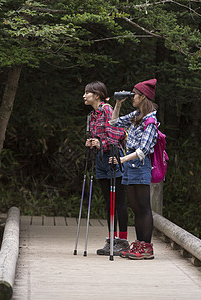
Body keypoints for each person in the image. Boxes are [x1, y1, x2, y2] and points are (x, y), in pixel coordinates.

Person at [109, 78, 158, 260]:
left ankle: (146, 247)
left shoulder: (150, 121)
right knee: (136, 208)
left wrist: (121, 159)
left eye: (135, 95)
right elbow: (114, 122)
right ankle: (139, 244)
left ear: (143, 97)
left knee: (144, 207)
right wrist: (118, 104)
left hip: (140, 165)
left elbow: (143, 150)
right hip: (129, 166)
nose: (132, 97)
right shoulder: (136, 115)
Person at [83, 81, 129, 256]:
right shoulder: (93, 115)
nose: (84, 96)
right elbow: (96, 135)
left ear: (97, 95)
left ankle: (122, 241)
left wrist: (101, 142)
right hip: (101, 159)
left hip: (114, 158)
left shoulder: (107, 110)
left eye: (87, 93)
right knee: (108, 202)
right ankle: (111, 240)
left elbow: (117, 134)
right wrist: (91, 142)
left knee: (119, 201)